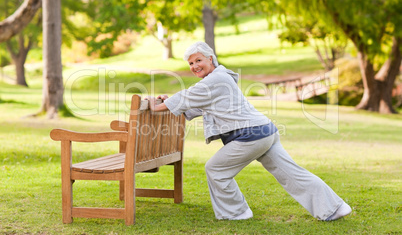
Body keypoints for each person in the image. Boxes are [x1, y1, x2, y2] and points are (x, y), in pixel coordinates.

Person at [147, 41, 352, 221]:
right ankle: (335, 208)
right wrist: (169, 103)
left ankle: (236, 213)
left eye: (198, 60)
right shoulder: (218, 78)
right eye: (191, 63)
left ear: (211, 58)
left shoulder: (216, 79)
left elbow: (187, 96)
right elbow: (194, 106)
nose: (194, 66)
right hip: (265, 132)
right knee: (292, 173)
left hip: (252, 136)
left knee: (215, 169)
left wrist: (155, 106)